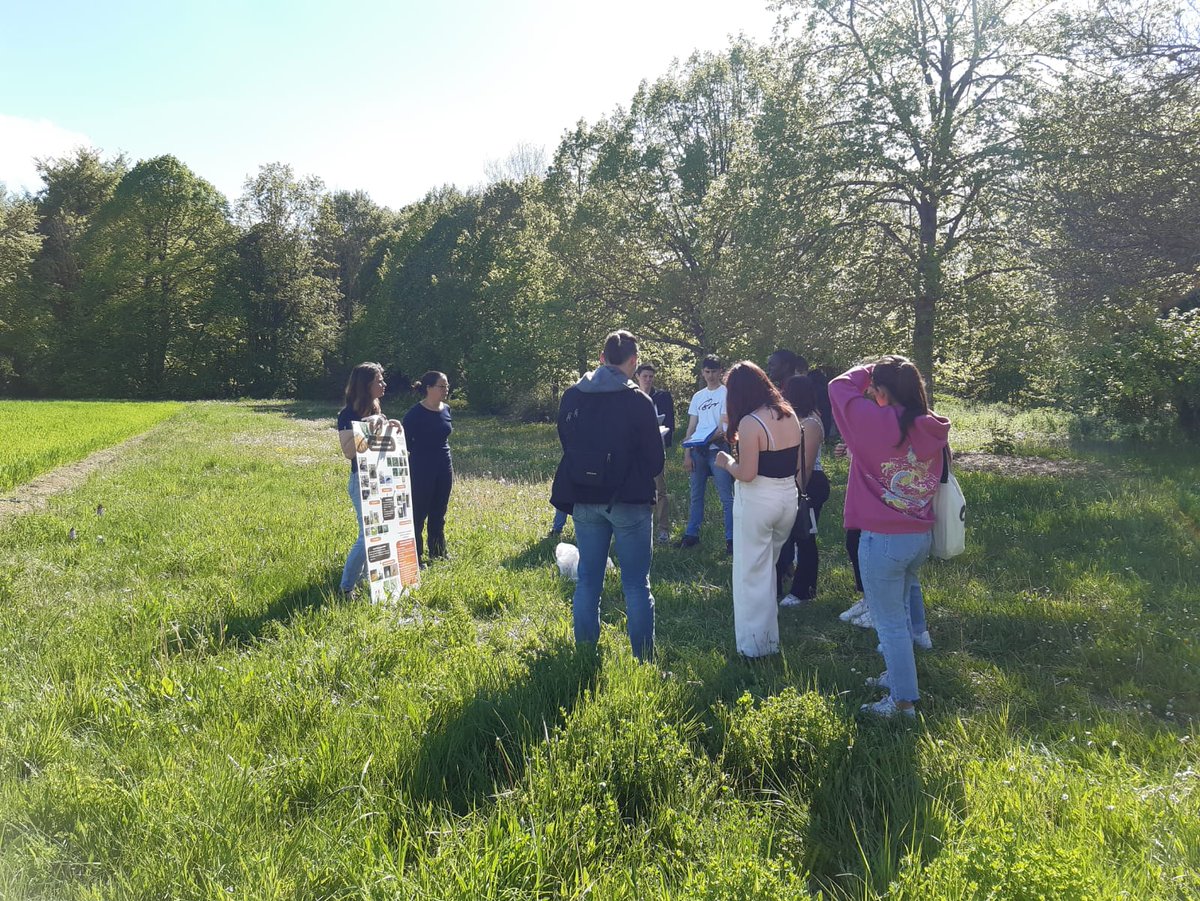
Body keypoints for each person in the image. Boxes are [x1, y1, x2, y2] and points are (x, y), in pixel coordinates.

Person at [830, 355, 950, 718]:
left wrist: (869, 367)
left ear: (882, 390)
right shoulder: (929, 424)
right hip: (918, 534)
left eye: (875, 390)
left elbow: (838, 386)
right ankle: (898, 677)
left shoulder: (874, 420)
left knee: (890, 623)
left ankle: (901, 703)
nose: (872, 395)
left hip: (882, 538)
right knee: (901, 613)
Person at [551, 330, 664, 661]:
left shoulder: (573, 395)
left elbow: (567, 441)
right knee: (636, 585)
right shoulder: (638, 401)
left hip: (584, 496)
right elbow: (655, 462)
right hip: (629, 500)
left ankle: (586, 655)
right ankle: (644, 661)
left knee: (588, 581)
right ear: (633, 361)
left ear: (602, 358)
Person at [714, 362, 801, 657]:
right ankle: (768, 639)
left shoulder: (751, 422)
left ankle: (754, 647)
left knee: (751, 575)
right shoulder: (789, 413)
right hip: (787, 496)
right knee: (767, 569)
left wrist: (726, 462)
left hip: (759, 500)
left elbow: (747, 473)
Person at [336, 363, 401, 596]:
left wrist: (391, 426)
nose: (384, 384)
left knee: (379, 533)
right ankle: (345, 589)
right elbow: (349, 452)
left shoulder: (376, 410)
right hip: (361, 482)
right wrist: (367, 428)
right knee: (367, 537)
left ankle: (368, 580)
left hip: (381, 480)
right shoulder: (348, 415)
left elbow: (379, 447)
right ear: (366, 385)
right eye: (379, 381)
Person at [777, 375, 831, 607]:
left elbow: (806, 465)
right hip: (791, 481)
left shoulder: (810, 423)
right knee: (788, 536)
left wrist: (795, 493)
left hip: (809, 484)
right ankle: (784, 577)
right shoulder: (793, 419)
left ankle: (804, 590)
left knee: (805, 537)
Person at [679, 355, 735, 553]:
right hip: (697, 451)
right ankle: (691, 534)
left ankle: (731, 538)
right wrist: (687, 453)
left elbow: (723, 426)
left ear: (721, 371)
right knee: (696, 495)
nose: (711, 376)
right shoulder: (698, 396)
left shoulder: (726, 393)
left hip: (717, 449)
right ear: (702, 372)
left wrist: (707, 440)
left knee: (726, 496)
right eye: (707, 372)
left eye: (714, 371)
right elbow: (692, 426)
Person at [403, 371, 454, 566]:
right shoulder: (415, 414)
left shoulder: (446, 409)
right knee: (418, 513)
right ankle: (415, 557)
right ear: (428, 388)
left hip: (444, 465)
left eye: (447, 386)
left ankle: (438, 553)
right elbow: (405, 443)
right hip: (421, 467)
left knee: (439, 511)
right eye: (442, 386)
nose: (446, 389)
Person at [635, 362, 675, 544]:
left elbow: (670, 422)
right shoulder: (631, 397)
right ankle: (641, 528)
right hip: (636, 450)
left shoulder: (661, 397)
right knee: (639, 490)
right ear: (637, 377)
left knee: (660, 490)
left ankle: (663, 530)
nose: (648, 380)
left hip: (656, 447)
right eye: (645, 376)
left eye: (651, 376)